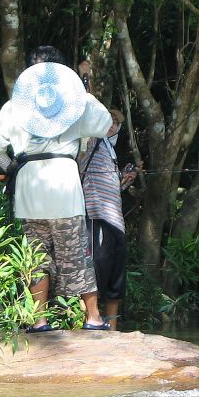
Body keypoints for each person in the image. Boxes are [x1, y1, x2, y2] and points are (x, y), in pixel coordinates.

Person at [0, 46, 113, 332]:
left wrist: (12, 167)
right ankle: (92, 318)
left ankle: (39, 320)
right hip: (64, 185)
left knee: (37, 257)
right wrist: (84, 91)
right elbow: (105, 125)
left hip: (30, 189)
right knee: (76, 252)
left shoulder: (14, 106)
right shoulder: (76, 103)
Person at [77, 106, 137, 332]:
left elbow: (112, 189)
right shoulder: (91, 142)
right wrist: (85, 75)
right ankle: (91, 320)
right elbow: (83, 113)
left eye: (116, 123)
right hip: (96, 216)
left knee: (115, 275)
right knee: (96, 270)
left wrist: (125, 179)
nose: (112, 125)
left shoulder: (110, 151)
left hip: (115, 220)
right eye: (108, 120)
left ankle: (112, 329)